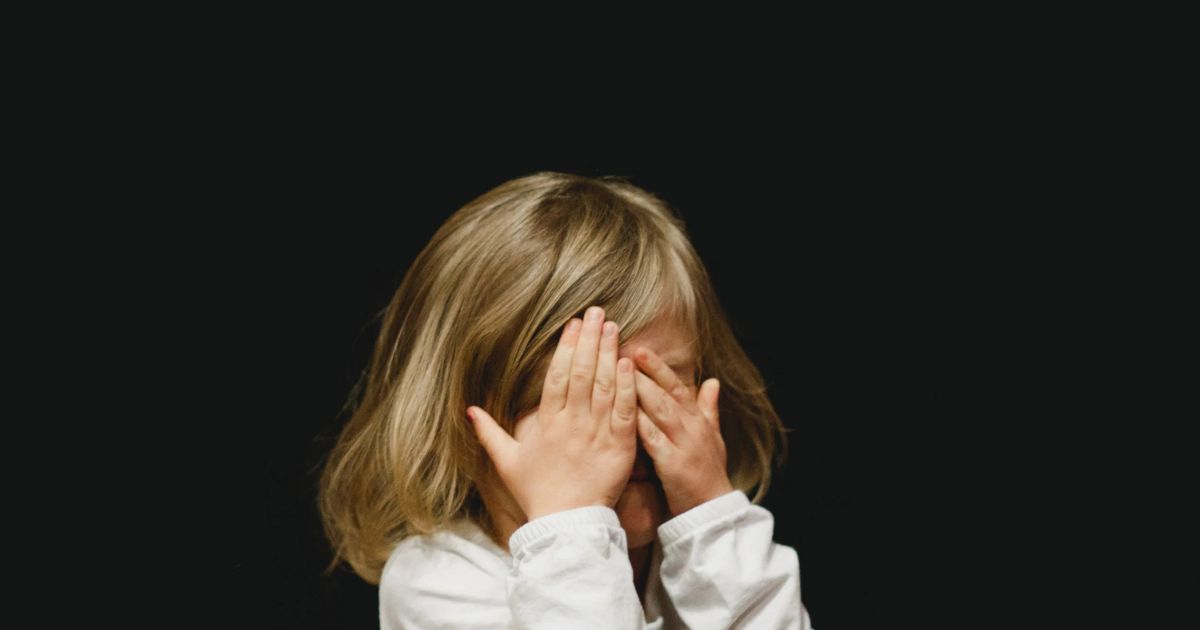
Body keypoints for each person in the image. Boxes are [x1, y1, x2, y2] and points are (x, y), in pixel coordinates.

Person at [317, 171, 814, 628]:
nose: (626, 425)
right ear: (471, 418)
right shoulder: (438, 581)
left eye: (659, 385)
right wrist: (571, 524)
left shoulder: (707, 556)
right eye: (583, 397)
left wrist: (714, 522)